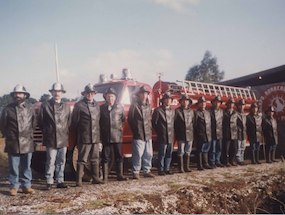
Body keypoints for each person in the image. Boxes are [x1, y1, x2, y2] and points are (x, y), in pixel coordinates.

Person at [0, 85, 36, 196]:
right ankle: (14, 186)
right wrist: (9, 136)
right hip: (13, 142)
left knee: (26, 166)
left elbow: (34, 123)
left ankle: (26, 186)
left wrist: (29, 135)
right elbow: (2, 125)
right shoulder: (7, 109)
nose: (18, 95)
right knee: (13, 166)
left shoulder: (30, 108)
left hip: (27, 141)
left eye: (20, 93)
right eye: (16, 93)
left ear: (25, 95)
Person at [38, 83, 71, 190]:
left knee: (61, 161)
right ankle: (49, 181)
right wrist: (48, 131)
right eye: (55, 91)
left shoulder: (66, 106)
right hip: (51, 138)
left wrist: (63, 131)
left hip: (63, 137)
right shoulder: (45, 105)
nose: (57, 93)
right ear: (52, 93)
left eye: (59, 91)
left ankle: (60, 181)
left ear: (62, 93)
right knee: (50, 161)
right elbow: (40, 122)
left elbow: (68, 122)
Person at [71, 84, 104, 186]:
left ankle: (95, 178)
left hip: (95, 137)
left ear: (94, 94)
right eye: (87, 93)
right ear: (84, 94)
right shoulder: (79, 105)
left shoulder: (97, 105)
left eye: (92, 93)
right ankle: (79, 180)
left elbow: (99, 121)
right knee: (82, 159)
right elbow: (74, 122)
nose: (90, 95)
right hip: (84, 137)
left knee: (95, 158)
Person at [100, 87, 128, 182]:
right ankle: (105, 177)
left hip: (117, 136)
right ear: (106, 97)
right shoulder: (102, 108)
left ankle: (119, 175)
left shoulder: (120, 108)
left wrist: (120, 127)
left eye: (112, 96)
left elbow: (123, 119)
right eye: (108, 96)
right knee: (105, 157)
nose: (110, 98)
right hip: (106, 136)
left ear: (115, 97)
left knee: (119, 156)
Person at [128, 86, 155, 179]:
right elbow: (130, 120)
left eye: (146, 93)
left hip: (148, 134)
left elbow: (150, 119)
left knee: (149, 154)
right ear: (138, 95)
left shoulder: (149, 106)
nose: (144, 95)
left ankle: (147, 170)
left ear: (148, 95)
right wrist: (136, 130)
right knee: (138, 154)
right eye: (142, 93)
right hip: (139, 134)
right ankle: (136, 172)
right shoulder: (134, 106)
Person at [152, 92, 175, 176]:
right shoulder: (158, 110)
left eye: (170, 99)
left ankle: (167, 168)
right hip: (162, 135)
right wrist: (160, 131)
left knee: (169, 153)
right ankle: (160, 169)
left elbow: (174, 123)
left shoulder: (172, 111)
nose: (168, 101)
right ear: (163, 100)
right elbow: (154, 122)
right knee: (161, 153)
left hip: (171, 135)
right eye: (167, 99)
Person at [174, 94, 194, 173]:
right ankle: (180, 168)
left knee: (188, 151)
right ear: (181, 102)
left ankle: (187, 167)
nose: (185, 102)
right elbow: (174, 123)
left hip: (190, 134)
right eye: (183, 101)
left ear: (189, 102)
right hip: (181, 134)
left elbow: (193, 122)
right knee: (181, 151)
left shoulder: (191, 111)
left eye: (187, 101)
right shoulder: (177, 111)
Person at [194, 96, 212, 170]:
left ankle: (206, 163)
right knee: (200, 150)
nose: (203, 104)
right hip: (200, 135)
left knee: (206, 150)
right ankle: (200, 165)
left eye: (204, 103)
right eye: (201, 103)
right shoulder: (196, 113)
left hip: (208, 134)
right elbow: (194, 124)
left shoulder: (208, 113)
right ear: (198, 104)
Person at [209, 96, 224, 168]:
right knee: (213, 149)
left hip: (219, 133)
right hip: (212, 132)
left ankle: (218, 161)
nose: (217, 103)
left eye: (218, 102)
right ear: (213, 103)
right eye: (216, 102)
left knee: (219, 148)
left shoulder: (221, 111)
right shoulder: (209, 111)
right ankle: (212, 162)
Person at [222, 98, 238, 166]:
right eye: (230, 103)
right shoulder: (223, 112)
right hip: (226, 132)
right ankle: (226, 161)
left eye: (232, 103)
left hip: (234, 132)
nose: (231, 105)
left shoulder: (235, 113)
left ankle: (232, 160)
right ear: (227, 104)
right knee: (226, 149)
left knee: (233, 148)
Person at [236, 99, 247, 165]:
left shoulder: (244, 114)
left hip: (243, 133)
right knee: (238, 147)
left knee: (243, 147)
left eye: (243, 105)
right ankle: (238, 159)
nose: (242, 106)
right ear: (238, 106)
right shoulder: (236, 113)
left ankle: (242, 159)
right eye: (240, 105)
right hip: (238, 133)